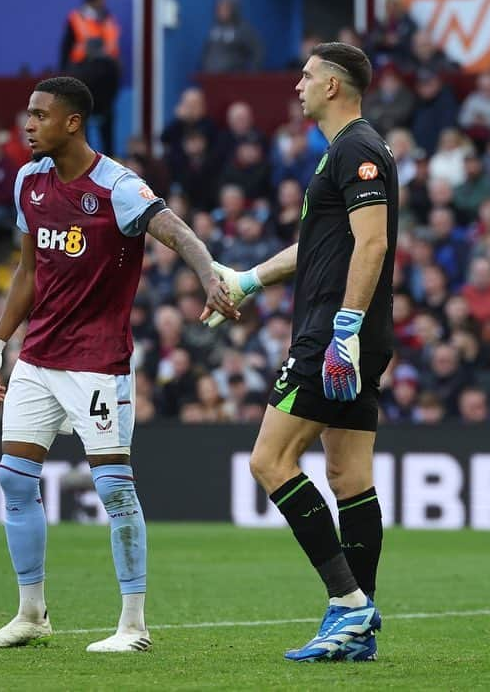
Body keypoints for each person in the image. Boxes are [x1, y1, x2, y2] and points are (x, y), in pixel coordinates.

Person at [0, 77, 236, 652]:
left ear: (72, 122)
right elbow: (29, 274)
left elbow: (176, 230)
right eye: (28, 114)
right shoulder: (29, 181)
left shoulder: (117, 186)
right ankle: (31, 613)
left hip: (98, 364)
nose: (28, 124)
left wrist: (208, 273)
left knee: (114, 490)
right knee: (14, 479)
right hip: (38, 357)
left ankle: (133, 626)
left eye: (40, 115)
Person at [205, 42, 392, 662]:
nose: (298, 86)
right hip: (352, 331)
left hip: (334, 333)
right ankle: (357, 626)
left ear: (334, 86)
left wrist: (344, 328)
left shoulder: (356, 149)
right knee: (347, 475)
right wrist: (249, 280)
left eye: (307, 76)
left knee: (269, 460)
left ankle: (349, 604)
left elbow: (372, 245)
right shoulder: (345, 152)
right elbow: (319, 248)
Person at [61, 0, 122, 156]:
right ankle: (84, 160)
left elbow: (114, 51)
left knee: (107, 124)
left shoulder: (108, 19)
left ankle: (109, 161)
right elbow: (66, 50)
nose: (104, 0)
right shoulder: (75, 19)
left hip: (106, 81)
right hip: (84, 77)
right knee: (81, 121)